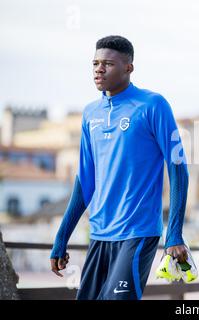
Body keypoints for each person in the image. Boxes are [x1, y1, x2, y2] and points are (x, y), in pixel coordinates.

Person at [49, 35, 189, 300]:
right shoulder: (90, 114)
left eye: (108, 64)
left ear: (128, 67)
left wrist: (174, 233)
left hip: (137, 232)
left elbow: (178, 168)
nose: (99, 69)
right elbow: (84, 182)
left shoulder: (153, 105)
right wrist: (61, 238)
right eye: (95, 63)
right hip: (100, 233)